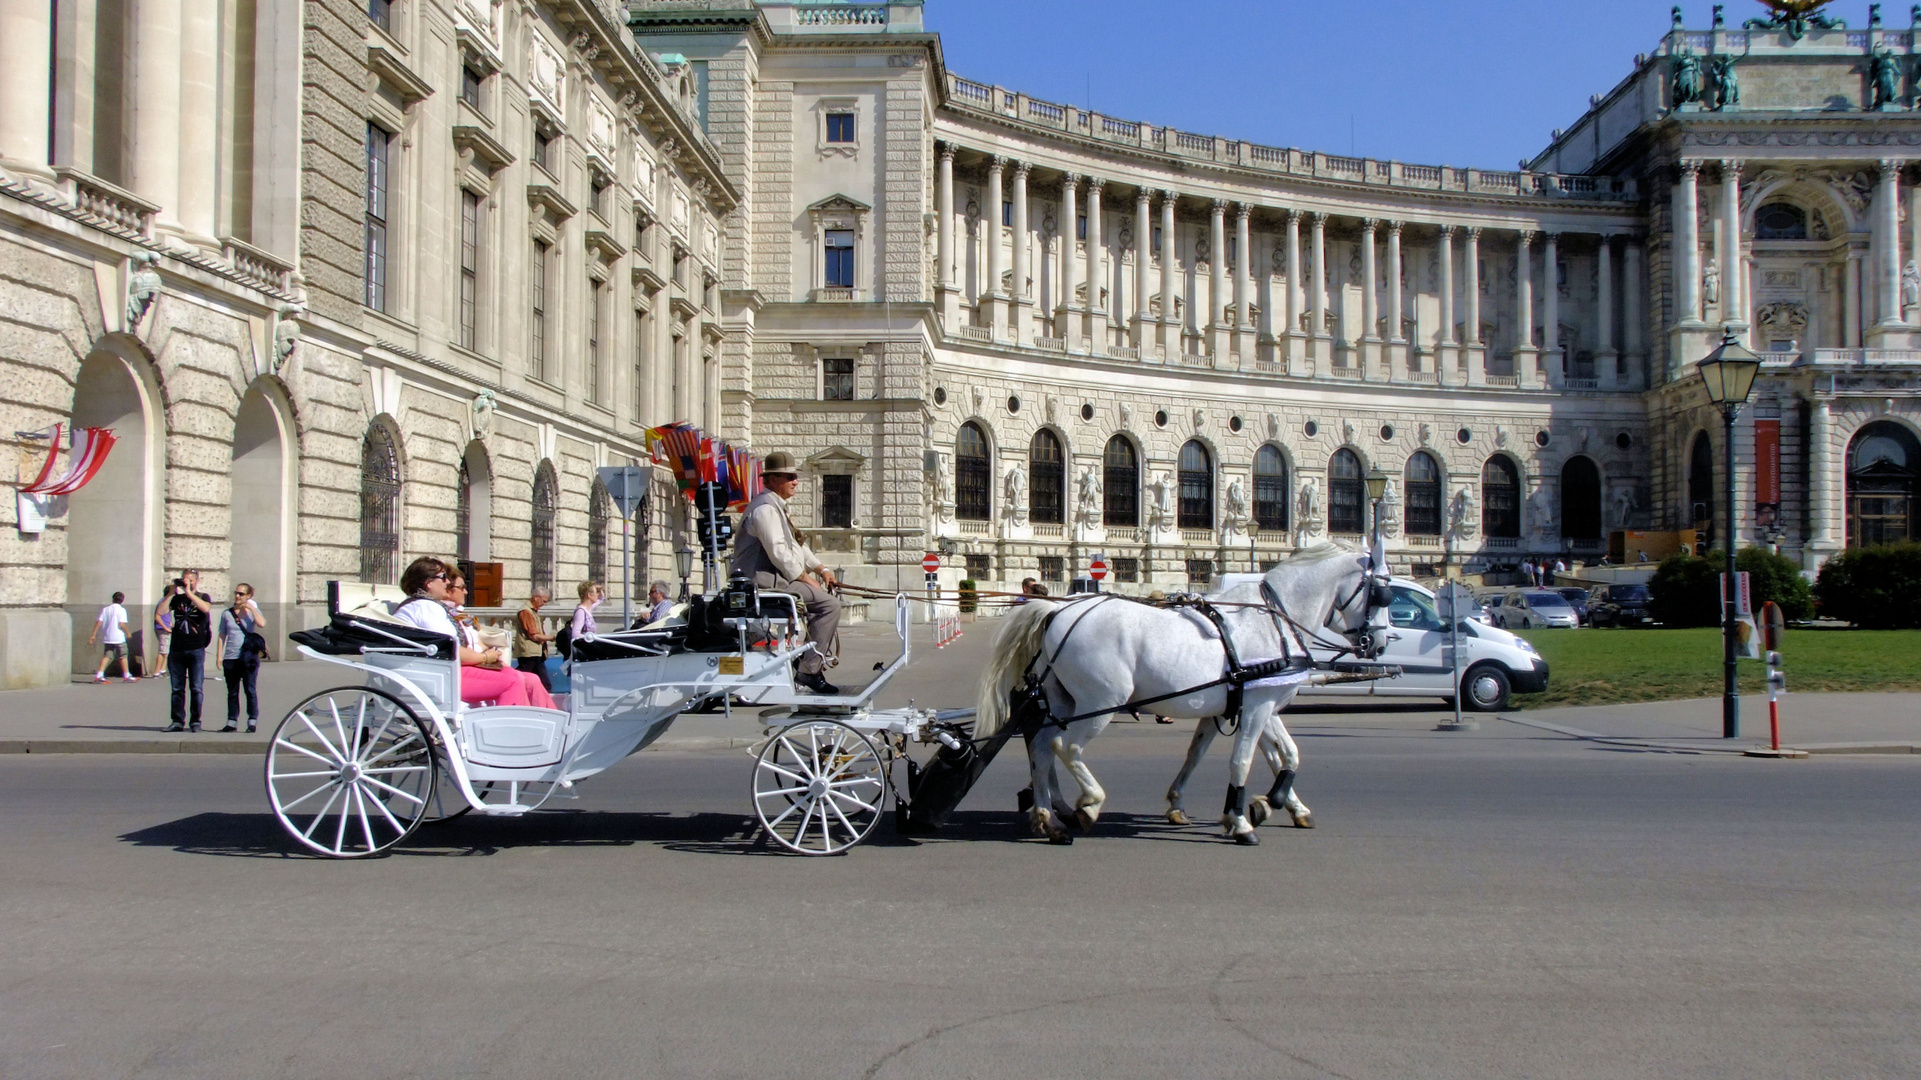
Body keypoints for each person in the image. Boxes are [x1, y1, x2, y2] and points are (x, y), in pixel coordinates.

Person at [731, 451, 842, 694]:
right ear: (770, 480)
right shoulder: (765, 510)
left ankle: (805, 660)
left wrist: (821, 569)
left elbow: (797, 546)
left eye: (795, 476)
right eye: (789, 476)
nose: (795, 481)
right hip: (763, 583)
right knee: (829, 606)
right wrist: (806, 578)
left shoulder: (777, 508)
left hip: (776, 580)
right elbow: (779, 553)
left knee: (825, 603)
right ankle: (808, 671)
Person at [389, 557, 551, 709]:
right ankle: (508, 732)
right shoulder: (426, 607)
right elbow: (453, 650)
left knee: (517, 676)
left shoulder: (422, 606)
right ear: (429, 583)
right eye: (443, 577)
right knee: (512, 680)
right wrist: (485, 658)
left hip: (438, 672)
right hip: (441, 676)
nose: (447, 582)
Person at [449, 571, 555, 709]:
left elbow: (476, 641)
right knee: (515, 680)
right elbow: (455, 650)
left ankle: (551, 720)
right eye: (461, 587)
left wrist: (491, 655)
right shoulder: (443, 614)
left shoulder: (461, 615)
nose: (466, 592)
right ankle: (512, 724)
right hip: (468, 668)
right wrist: (486, 657)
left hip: (480, 663)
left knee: (533, 679)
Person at [163, 570, 214, 732]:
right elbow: (161, 611)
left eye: (191, 580)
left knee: (196, 688)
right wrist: (171, 593)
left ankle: (195, 721)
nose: (188, 583)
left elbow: (205, 609)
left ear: (196, 581)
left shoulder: (203, 596)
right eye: (185, 580)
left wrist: (189, 592)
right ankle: (177, 721)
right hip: (177, 649)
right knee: (177, 688)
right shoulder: (176, 599)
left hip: (196, 648)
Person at [216, 583, 266, 732]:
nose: (237, 596)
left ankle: (252, 720)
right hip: (231, 657)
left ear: (249, 596)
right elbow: (222, 635)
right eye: (236, 593)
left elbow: (262, 623)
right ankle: (231, 721)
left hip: (248, 657)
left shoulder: (251, 612)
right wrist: (219, 656)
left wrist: (251, 608)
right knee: (232, 691)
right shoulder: (227, 613)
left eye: (241, 594)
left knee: (250, 689)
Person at [513, 587, 554, 692]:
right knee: (542, 683)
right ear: (536, 598)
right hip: (529, 653)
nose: (544, 604)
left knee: (540, 683)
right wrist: (553, 638)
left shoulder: (532, 611)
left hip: (535, 653)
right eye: (543, 601)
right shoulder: (526, 612)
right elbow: (533, 635)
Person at [90, 591, 134, 682]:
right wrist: (127, 633)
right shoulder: (121, 610)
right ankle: (126, 675)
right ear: (122, 600)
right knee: (123, 655)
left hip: (107, 636)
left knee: (107, 655)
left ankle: (99, 674)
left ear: (113, 599)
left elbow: (99, 621)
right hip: (118, 637)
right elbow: (121, 624)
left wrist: (93, 634)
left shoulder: (106, 609)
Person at [151, 582, 174, 678]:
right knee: (163, 651)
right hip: (163, 629)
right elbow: (158, 617)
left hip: (165, 628)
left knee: (166, 650)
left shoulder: (166, 602)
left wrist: (171, 624)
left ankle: (162, 669)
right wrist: (165, 627)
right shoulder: (164, 601)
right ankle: (156, 671)